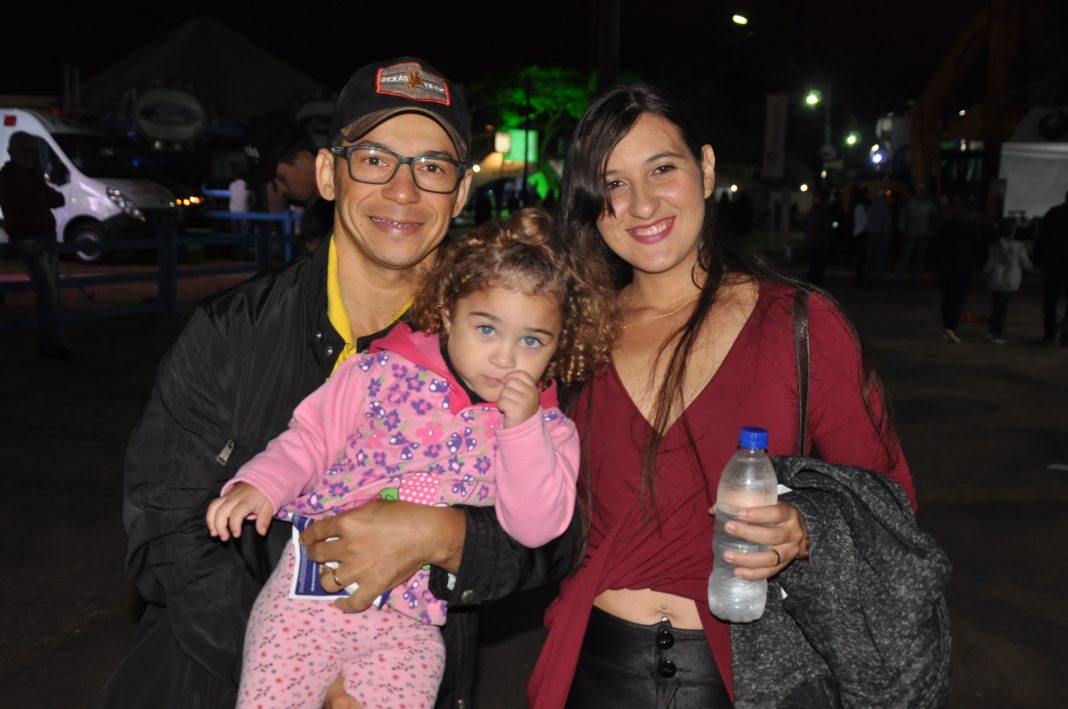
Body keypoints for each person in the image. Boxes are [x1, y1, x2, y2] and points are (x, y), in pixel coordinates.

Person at [98, 56, 580, 709]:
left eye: (432, 167)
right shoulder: (232, 332)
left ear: (462, 191)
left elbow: (564, 533)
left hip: (404, 667)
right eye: (375, 159)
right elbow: (165, 533)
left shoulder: (516, 344)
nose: (404, 191)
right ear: (328, 173)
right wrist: (310, 675)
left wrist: (448, 537)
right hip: (216, 677)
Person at [526, 84, 916, 708]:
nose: (641, 203)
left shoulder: (799, 323)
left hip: (752, 677)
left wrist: (805, 529)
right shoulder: (570, 336)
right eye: (613, 183)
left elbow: (887, 499)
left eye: (662, 169)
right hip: (593, 667)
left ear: (705, 169)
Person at [206, 208, 616, 708]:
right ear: (448, 314)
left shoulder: (548, 431)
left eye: (531, 340)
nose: (506, 357)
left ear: (559, 345)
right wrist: (262, 484)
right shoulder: (381, 372)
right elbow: (310, 438)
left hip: (410, 627)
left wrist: (523, 429)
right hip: (308, 599)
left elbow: (534, 529)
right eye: (486, 329)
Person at [0, 131, 70, 359]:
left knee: (50, 291)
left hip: (38, 235)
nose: (30, 155)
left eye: (31, 151)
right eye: (26, 150)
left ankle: (51, 342)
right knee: (49, 290)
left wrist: (40, 196)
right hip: (29, 237)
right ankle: (52, 343)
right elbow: (41, 199)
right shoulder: (12, 177)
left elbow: (53, 199)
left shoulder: (26, 177)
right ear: (13, 152)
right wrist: (41, 196)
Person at [930, 197, 985, 343]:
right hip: (963, 268)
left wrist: (936, 265)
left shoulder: (945, 227)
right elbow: (978, 250)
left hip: (946, 267)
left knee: (946, 299)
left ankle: (947, 327)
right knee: (957, 299)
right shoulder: (972, 228)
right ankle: (952, 327)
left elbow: (936, 247)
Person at [271, 135, 335, 254]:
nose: (279, 190)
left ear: (304, 159)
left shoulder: (338, 208)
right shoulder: (320, 210)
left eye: (281, 178)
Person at [982, 217, 1037, 344]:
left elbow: (990, 264)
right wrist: (1035, 269)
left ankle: (992, 331)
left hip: (996, 281)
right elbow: (1025, 263)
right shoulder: (1018, 246)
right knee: (1002, 309)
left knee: (996, 308)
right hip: (1010, 281)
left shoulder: (994, 245)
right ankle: (997, 333)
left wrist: (984, 274)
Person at [1034, 189, 1068, 345]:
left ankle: (1050, 333)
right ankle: (1066, 333)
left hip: (1054, 263)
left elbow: (1042, 237)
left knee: (1050, 300)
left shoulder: (1053, 213)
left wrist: (1038, 259)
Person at [893, 182, 937, 284]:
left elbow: (934, 220)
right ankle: (897, 278)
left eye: (922, 190)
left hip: (923, 237)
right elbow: (901, 219)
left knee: (920, 259)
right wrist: (904, 232)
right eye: (918, 190)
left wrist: (930, 233)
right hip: (910, 236)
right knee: (905, 257)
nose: (920, 192)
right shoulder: (910, 204)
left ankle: (915, 279)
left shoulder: (930, 205)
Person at [862, 190, 893, 287]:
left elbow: (865, 222)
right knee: (880, 258)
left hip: (870, 234)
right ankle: (878, 281)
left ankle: (866, 279)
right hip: (880, 235)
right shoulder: (885, 209)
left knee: (869, 259)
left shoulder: (870, 208)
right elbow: (887, 225)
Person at [804, 189, 833, 286]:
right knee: (818, 269)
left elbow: (808, 228)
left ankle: (810, 287)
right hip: (820, 245)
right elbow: (827, 228)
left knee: (812, 268)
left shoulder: (812, 211)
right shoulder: (824, 212)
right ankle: (815, 288)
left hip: (812, 244)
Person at [851, 188, 869, 287]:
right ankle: (858, 281)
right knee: (861, 259)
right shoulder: (861, 207)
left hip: (857, 233)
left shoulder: (856, 206)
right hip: (861, 234)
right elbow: (865, 221)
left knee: (858, 259)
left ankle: (857, 280)